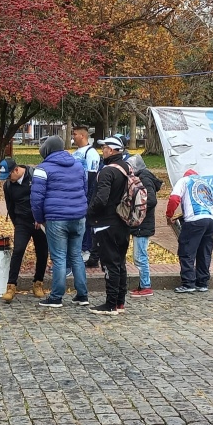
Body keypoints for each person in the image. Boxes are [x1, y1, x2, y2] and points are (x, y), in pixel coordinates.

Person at [30, 135, 89, 308]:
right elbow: (85, 189)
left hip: (56, 219)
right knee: (76, 256)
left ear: (46, 150)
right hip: (78, 217)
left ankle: (56, 297)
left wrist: (39, 219)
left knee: (59, 258)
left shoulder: (43, 169)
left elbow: (36, 199)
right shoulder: (78, 165)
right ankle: (82, 295)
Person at [86, 136, 132, 315]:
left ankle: (110, 304)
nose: (102, 150)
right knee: (120, 263)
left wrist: (89, 212)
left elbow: (101, 199)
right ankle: (120, 302)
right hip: (123, 222)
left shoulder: (107, 172)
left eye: (104, 147)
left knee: (110, 265)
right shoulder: (127, 167)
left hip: (106, 224)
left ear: (112, 150)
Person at [0, 158, 49, 302]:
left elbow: (44, 198)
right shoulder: (8, 186)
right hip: (22, 222)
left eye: (9, 176)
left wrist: (41, 219)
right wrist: (17, 223)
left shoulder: (34, 176)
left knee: (42, 252)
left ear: (16, 170)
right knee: (18, 250)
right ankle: (11, 285)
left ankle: (38, 283)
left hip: (39, 222)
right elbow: (10, 206)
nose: (8, 180)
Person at [165, 169, 213, 293]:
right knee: (204, 251)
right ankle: (202, 282)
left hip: (194, 220)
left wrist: (169, 215)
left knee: (187, 251)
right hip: (211, 220)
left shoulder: (184, 181)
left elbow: (174, 199)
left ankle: (188, 283)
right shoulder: (207, 184)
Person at [125, 155, 163, 298]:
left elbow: (151, 200)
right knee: (139, 255)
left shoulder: (144, 178)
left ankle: (146, 286)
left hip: (142, 223)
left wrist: (137, 208)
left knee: (140, 256)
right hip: (141, 223)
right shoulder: (143, 177)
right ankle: (143, 284)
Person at [71, 125, 101, 265]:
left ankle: (87, 250)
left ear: (82, 136)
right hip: (75, 194)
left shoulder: (91, 153)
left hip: (85, 195)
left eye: (75, 134)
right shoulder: (75, 153)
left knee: (86, 223)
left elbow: (92, 176)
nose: (73, 136)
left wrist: (88, 198)